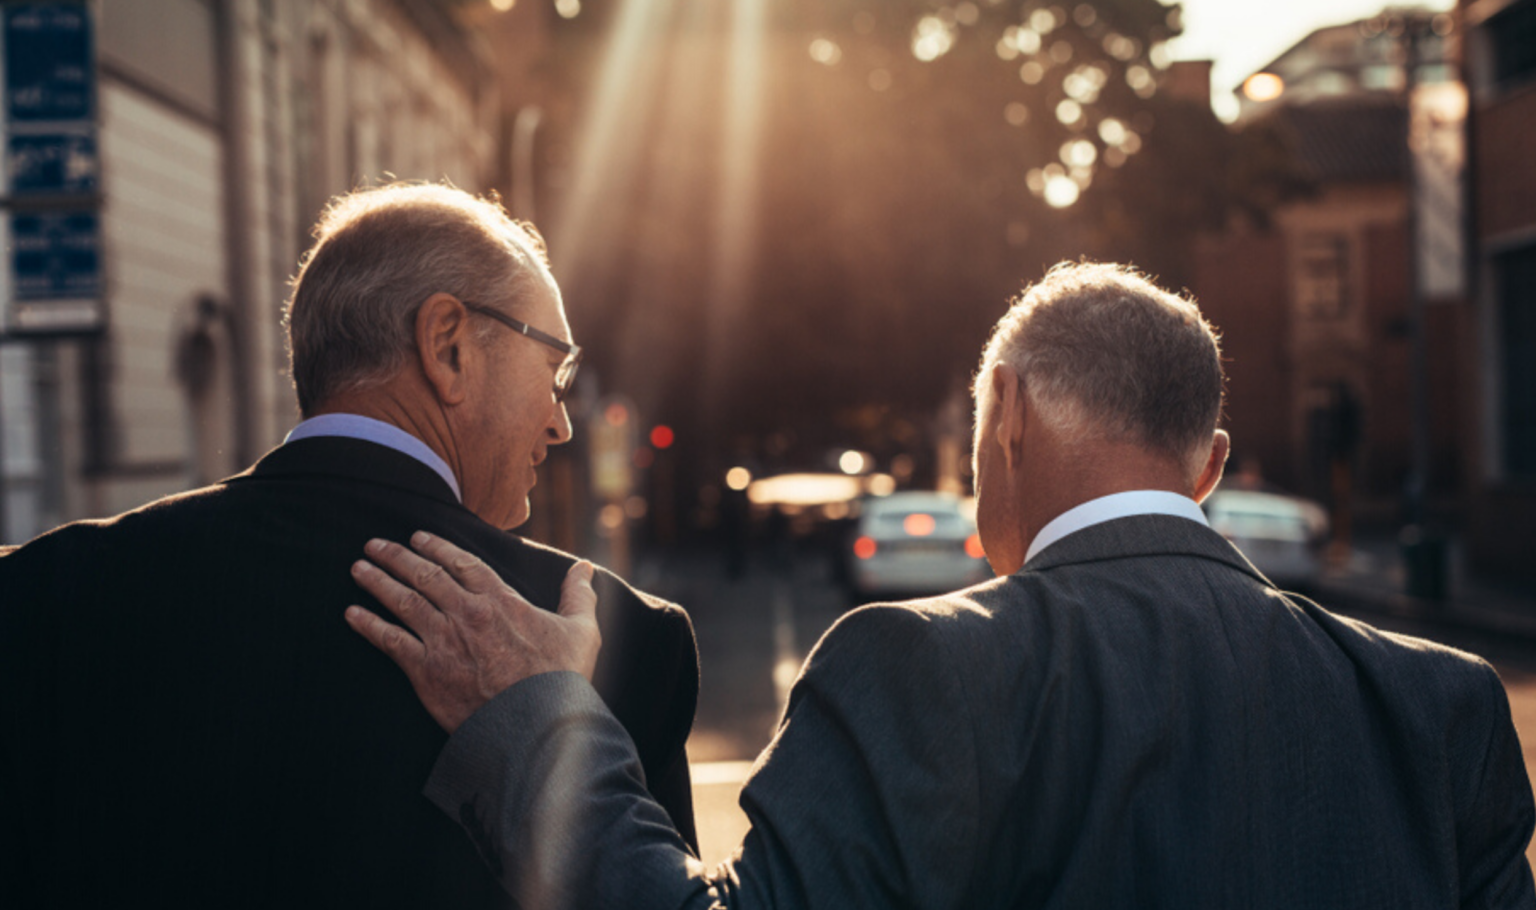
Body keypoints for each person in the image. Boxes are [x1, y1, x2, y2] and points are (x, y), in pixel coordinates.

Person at [351, 261, 1535, 908]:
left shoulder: (919, 666)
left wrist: (541, 720)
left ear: (1006, 413)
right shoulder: (1441, 707)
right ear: (1210, 467)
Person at [0, 183, 699, 907]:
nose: (562, 424)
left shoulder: (41, 594)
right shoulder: (610, 635)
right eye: (556, 372)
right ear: (448, 346)